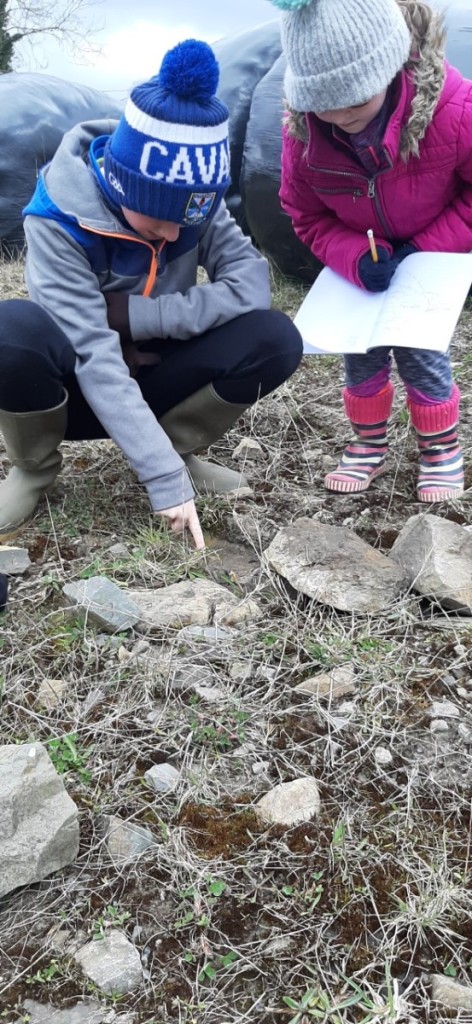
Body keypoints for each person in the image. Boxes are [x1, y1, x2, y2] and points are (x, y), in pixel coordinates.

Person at [0, 39, 303, 548]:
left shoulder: (189, 208)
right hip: (75, 389)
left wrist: (140, 318)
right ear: (123, 186)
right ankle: (34, 468)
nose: (173, 235)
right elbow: (94, 355)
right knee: (11, 332)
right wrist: (163, 483)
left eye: (191, 222)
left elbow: (251, 284)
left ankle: (175, 445)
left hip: (156, 373)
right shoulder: (57, 219)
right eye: (159, 219)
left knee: (274, 337)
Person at [270, 0, 468, 501]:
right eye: (324, 104)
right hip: (363, 265)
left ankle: (441, 446)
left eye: (355, 100)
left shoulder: (454, 110)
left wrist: (421, 250)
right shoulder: (304, 138)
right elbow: (304, 213)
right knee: (360, 354)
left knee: (422, 353)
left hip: (428, 260)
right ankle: (368, 443)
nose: (339, 115)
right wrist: (354, 257)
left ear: (392, 65)